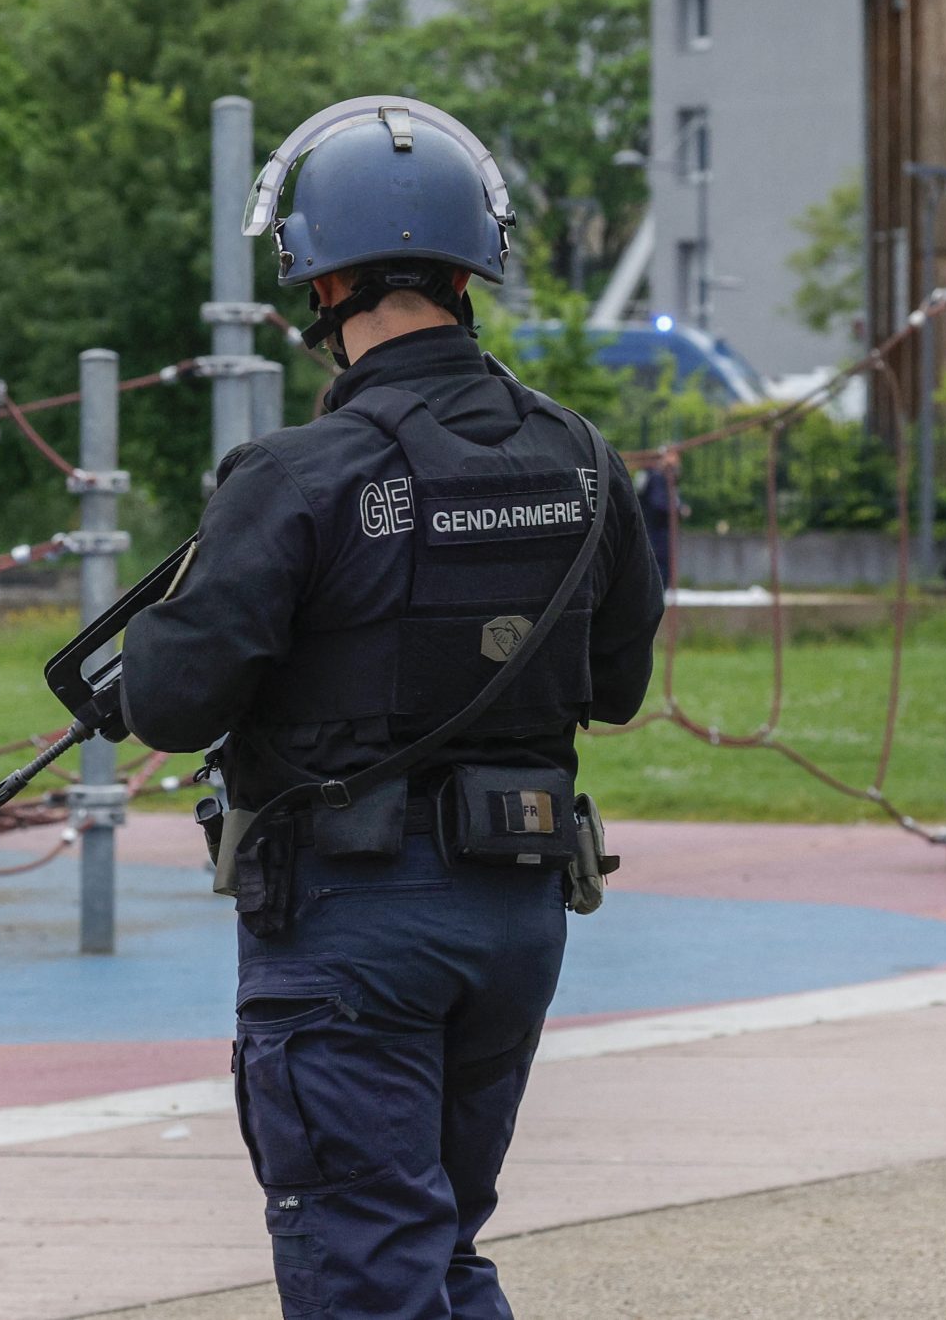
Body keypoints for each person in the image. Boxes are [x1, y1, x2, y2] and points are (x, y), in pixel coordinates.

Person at [120, 96, 664, 1320]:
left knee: (367, 1263)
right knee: (434, 1249)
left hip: (350, 922)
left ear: (323, 283)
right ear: (470, 272)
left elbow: (169, 703)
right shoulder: (584, 459)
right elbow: (619, 684)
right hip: (517, 912)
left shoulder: (294, 476)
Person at [636, 445, 684, 593]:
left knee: (661, 566)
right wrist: (678, 509)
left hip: (655, 529)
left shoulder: (657, 476)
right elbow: (658, 503)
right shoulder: (657, 476)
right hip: (655, 530)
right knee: (659, 565)